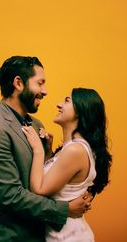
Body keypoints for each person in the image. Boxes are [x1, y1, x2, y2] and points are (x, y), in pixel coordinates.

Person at [0, 56, 93, 242]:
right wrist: (66, 209)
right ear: (18, 83)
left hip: (45, 236)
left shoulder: (36, 124)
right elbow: (10, 196)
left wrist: (47, 153)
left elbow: (43, 180)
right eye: (40, 83)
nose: (45, 92)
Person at [22, 87, 112, 241]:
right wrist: (49, 152)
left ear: (81, 111)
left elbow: (39, 189)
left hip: (68, 237)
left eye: (67, 101)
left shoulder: (75, 150)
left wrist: (38, 149)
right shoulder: (74, 147)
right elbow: (61, 183)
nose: (59, 104)